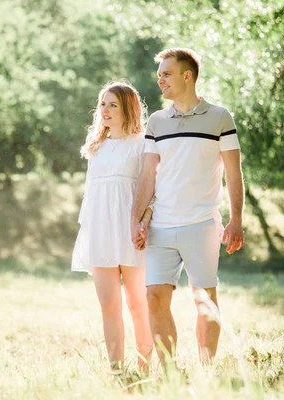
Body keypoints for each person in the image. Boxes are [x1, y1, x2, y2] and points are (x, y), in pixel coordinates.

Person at [130, 48, 245, 364]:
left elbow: (234, 173)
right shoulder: (156, 121)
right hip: (161, 227)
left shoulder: (220, 117)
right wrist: (136, 220)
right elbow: (146, 176)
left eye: (166, 74)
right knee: (154, 297)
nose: (160, 81)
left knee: (204, 299)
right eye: (159, 76)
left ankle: (206, 369)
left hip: (202, 225)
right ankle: (169, 373)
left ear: (187, 76)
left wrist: (236, 220)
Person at [72, 82, 154, 372]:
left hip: (131, 233)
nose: (105, 110)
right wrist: (88, 231)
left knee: (137, 303)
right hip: (100, 232)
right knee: (108, 304)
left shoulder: (143, 144)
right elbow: (91, 193)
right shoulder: (96, 146)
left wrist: (143, 223)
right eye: (102, 104)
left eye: (113, 105)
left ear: (127, 108)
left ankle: (145, 366)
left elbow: (152, 190)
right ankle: (116, 369)